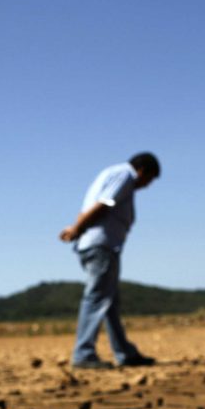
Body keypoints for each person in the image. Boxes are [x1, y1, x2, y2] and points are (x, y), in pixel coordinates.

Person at [59, 152, 160, 369]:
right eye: (149, 179)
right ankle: (83, 354)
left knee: (109, 301)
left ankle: (125, 353)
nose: (147, 185)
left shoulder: (110, 173)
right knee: (96, 298)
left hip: (96, 244)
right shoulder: (125, 175)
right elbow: (104, 204)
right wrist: (77, 228)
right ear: (142, 170)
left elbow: (90, 206)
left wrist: (77, 228)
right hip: (101, 246)